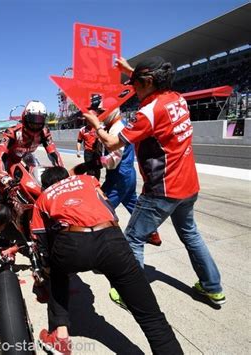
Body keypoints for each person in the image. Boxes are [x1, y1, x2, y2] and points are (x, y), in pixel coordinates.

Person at [83, 56, 226, 305]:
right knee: (191, 235)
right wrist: (129, 70)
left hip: (163, 189)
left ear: (148, 82)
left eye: (135, 84)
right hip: (189, 186)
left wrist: (96, 124)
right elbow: (153, 86)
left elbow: (111, 143)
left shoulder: (148, 113)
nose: (133, 90)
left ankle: (132, 296)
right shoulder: (177, 98)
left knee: (134, 239)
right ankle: (212, 286)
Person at [31, 167, 182, 355]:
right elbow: (109, 207)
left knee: (57, 274)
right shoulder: (87, 180)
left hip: (72, 243)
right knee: (151, 316)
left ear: (45, 185)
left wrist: (46, 268)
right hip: (111, 237)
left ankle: (60, 336)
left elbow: (40, 240)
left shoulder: (43, 198)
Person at [92, 96, 162, 247]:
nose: (99, 115)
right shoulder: (117, 125)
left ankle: (105, 244)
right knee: (134, 206)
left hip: (118, 177)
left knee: (101, 208)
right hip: (127, 174)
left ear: (111, 111)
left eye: (101, 112)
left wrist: (98, 162)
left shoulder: (117, 128)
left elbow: (113, 160)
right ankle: (152, 234)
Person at [0, 100, 63, 191]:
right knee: (6, 186)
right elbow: (1, 156)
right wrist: (4, 176)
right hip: (8, 158)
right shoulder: (12, 132)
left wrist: (62, 171)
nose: (36, 124)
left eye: (40, 120)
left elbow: (53, 152)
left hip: (25, 155)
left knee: (37, 175)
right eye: (33, 120)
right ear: (25, 118)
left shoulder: (44, 132)